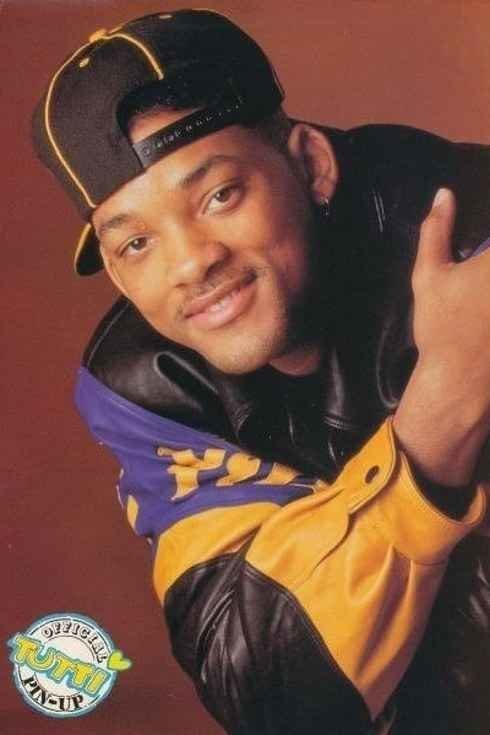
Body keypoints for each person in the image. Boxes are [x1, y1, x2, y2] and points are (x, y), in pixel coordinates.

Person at [32, 9, 490, 734]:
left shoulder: (474, 234)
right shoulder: (146, 387)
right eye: (137, 243)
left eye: (219, 195)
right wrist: (446, 406)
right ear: (117, 275)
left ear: (310, 164)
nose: (191, 264)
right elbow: (271, 695)